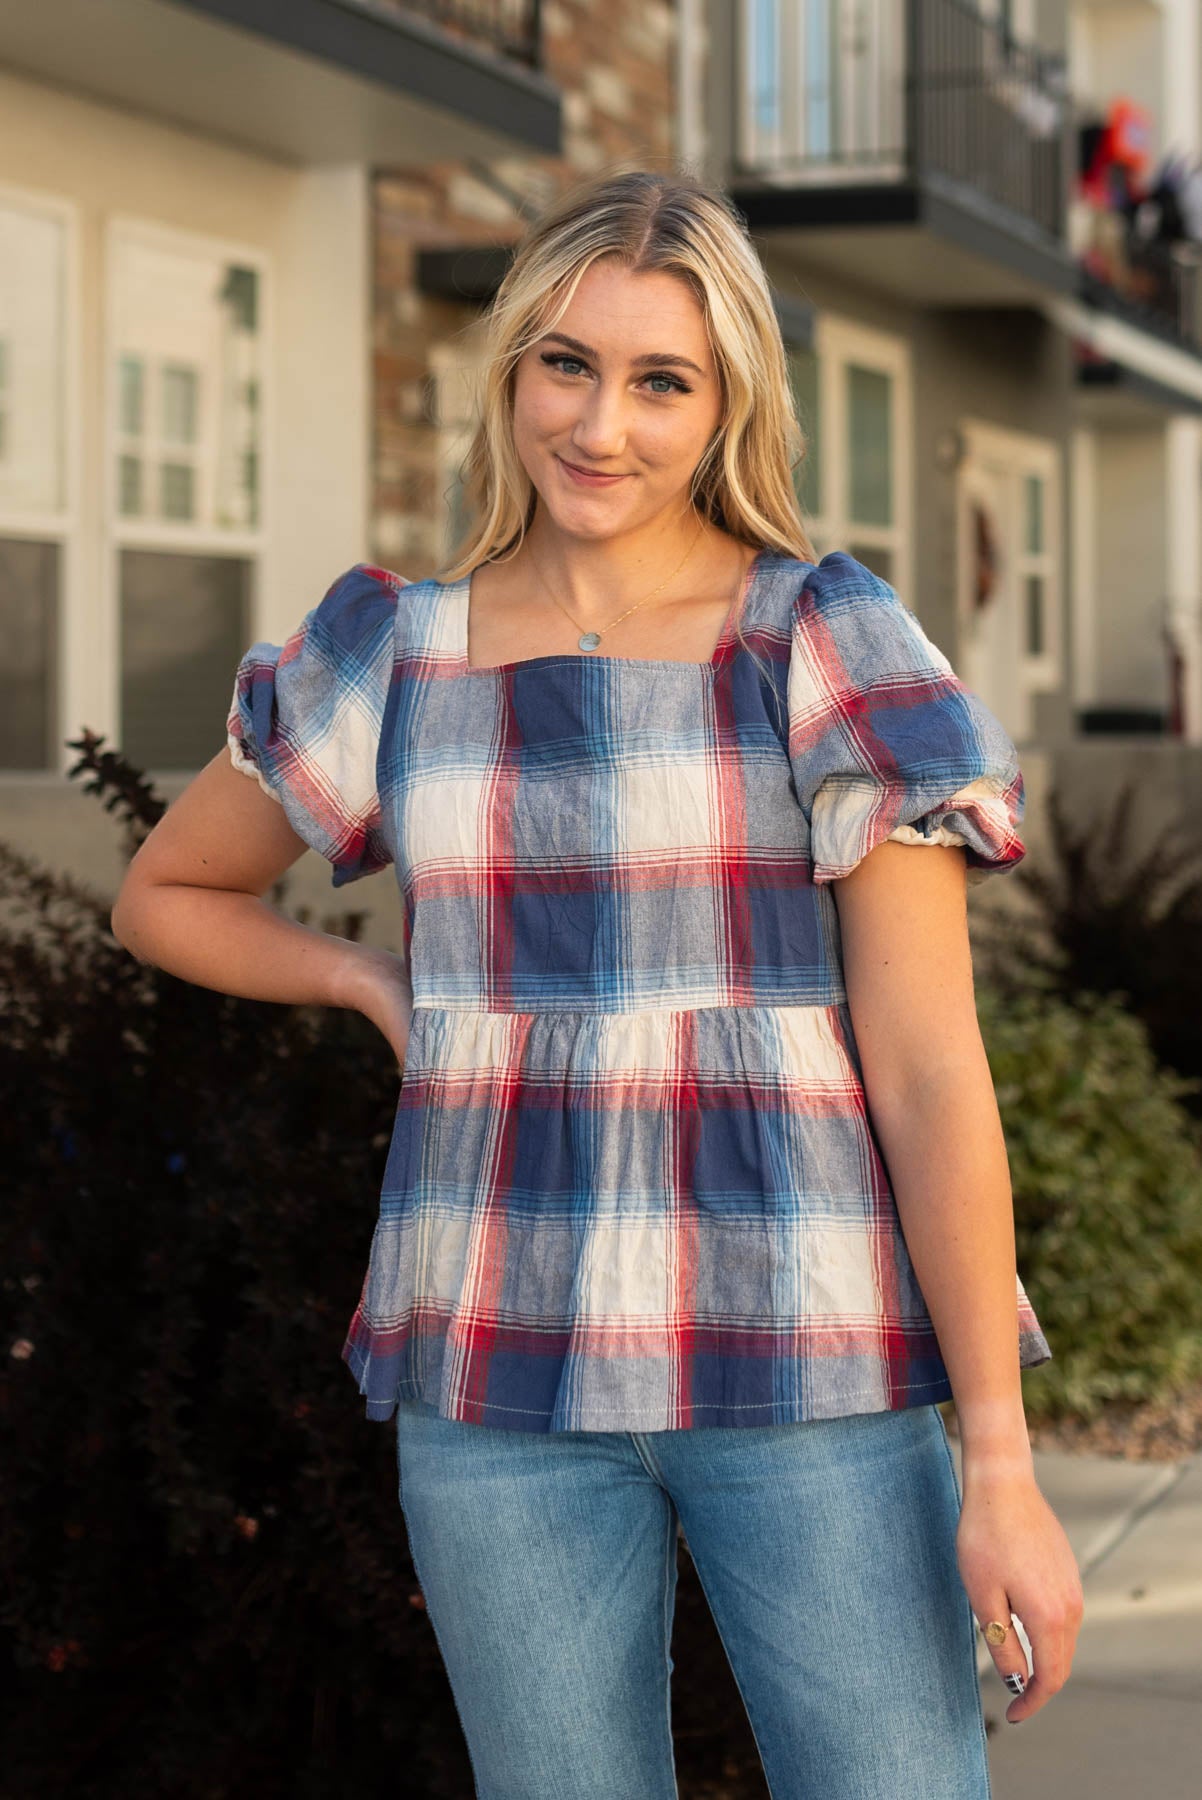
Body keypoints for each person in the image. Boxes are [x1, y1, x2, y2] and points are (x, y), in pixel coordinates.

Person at [110, 164, 1084, 1799]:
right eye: (566, 363)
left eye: (660, 382)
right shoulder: (390, 653)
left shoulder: (819, 641)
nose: (600, 426)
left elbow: (925, 1075)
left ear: (727, 406)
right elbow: (166, 891)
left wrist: (999, 1459)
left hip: (810, 1377)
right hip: (496, 1384)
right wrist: (368, 985)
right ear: (508, 371)